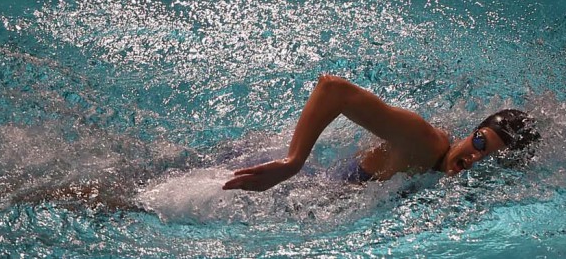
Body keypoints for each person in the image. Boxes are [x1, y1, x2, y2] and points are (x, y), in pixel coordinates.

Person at [223, 74, 539, 191]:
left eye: (488, 156)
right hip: (273, 178)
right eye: (480, 141)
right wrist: (292, 162)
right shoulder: (425, 143)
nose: (472, 157)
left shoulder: (450, 176)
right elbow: (333, 90)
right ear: (473, 131)